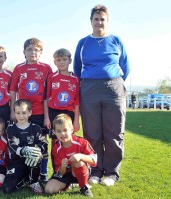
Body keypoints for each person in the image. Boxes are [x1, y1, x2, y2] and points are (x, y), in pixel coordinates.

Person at [73, 4, 130, 186]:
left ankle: (112, 173)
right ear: (91, 21)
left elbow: (125, 66)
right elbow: (77, 68)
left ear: (107, 21)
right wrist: (88, 82)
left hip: (113, 89)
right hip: (89, 89)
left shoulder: (116, 40)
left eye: (102, 19)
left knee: (114, 132)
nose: (99, 22)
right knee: (92, 133)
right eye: (96, 19)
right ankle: (95, 170)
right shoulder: (83, 43)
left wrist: (113, 81)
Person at [10, 37, 52, 182]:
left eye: (36, 50)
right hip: (23, 114)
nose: (33, 52)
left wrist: (46, 117)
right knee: (24, 144)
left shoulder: (46, 68)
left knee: (42, 144)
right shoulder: (19, 68)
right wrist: (12, 111)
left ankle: (43, 173)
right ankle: (27, 174)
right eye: (29, 49)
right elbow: (13, 91)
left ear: (41, 52)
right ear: (24, 52)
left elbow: (47, 95)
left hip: (40, 113)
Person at [44, 114, 97, 197]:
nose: (62, 134)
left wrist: (80, 156)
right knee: (49, 190)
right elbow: (60, 173)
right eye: (58, 131)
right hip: (65, 174)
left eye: (65, 130)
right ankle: (69, 185)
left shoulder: (81, 142)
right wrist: (63, 166)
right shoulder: (55, 148)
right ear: (54, 132)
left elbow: (94, 160)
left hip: (80, 170)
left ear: (72, 129)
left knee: (77, 162)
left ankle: (83, 186)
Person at [2, 99, 48, 194]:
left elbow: (44, 143)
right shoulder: (11, 128)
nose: (21, 116)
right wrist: (23, 150)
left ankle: (33, 181)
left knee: (35, 153)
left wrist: (36, 150)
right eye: (18, 113)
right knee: (7, 189)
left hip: (32, 161)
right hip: (17, 162)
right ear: (14, 113)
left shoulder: (36, 128)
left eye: (24, 112)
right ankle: (24, 180)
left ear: (30, 113)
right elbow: (12, 145)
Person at [44, 48, 80, 147]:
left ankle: (67, 162)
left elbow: (77, 102)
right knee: (55, 142)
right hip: (53, 112)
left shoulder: (75, 79)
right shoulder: (51, 77)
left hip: (68, 113)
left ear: (70, 61)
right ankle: (56, 162)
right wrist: (47, 118)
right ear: (54, 62)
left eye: (64, 59)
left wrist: (76, 121)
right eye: (58, 60)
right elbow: (46, 99)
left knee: (68, 141)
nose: (61, 62)